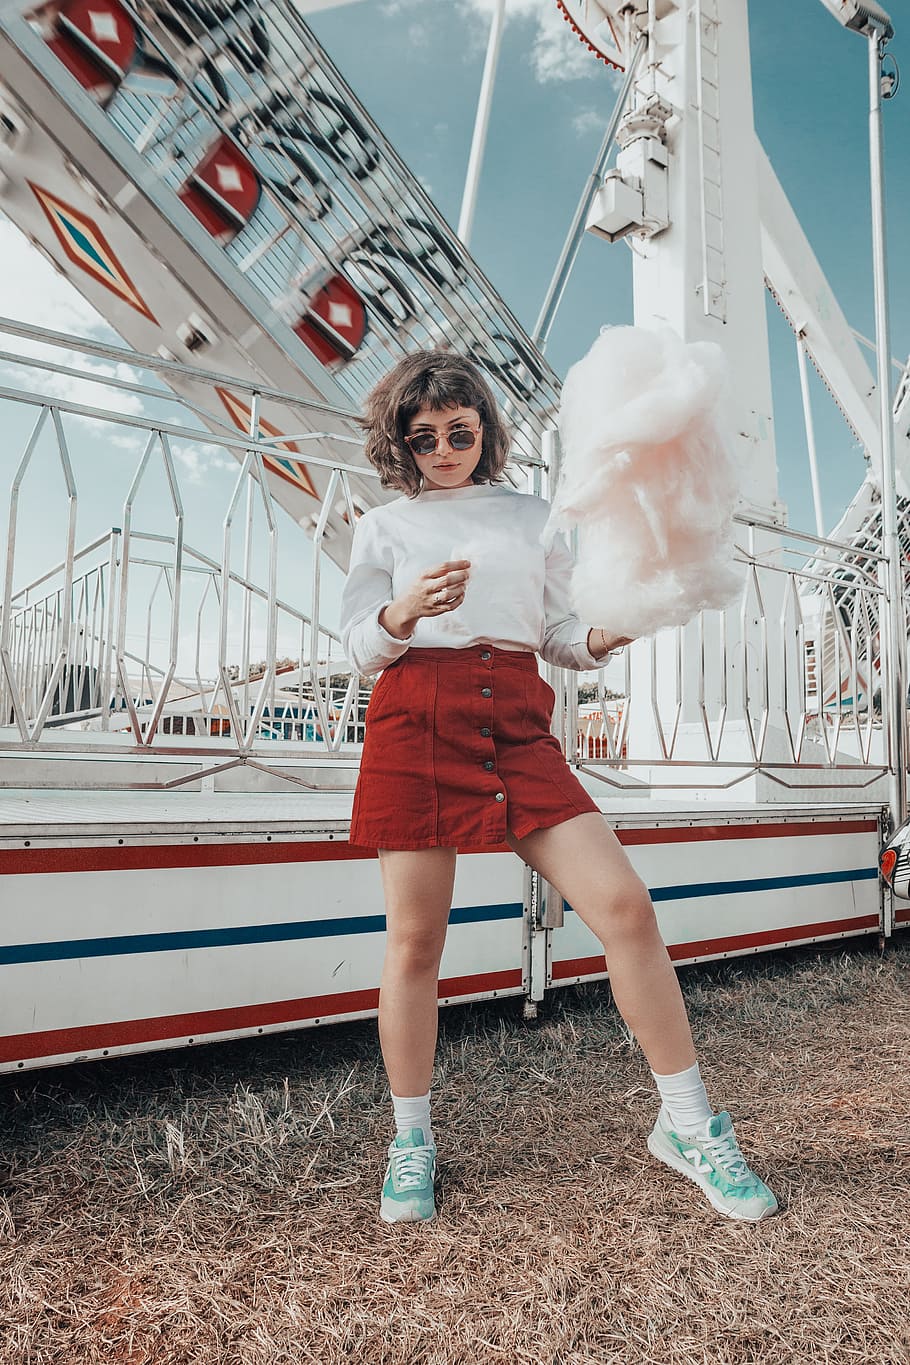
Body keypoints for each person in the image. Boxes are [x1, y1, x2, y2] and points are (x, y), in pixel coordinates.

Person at [340, 350, 777, 1226]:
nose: (443, 449)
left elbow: (559, 635)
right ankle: (410, 1140)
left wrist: (608, 633)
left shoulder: (534, 516)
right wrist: (404, 610)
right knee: (416, 943)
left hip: (515, 719)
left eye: (459, 432)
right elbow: (358, 646)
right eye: (423, 438)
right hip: (414, 718)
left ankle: (688, 1125)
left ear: (484, 430)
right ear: (400, 443)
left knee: (625, 908)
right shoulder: (382, 527)